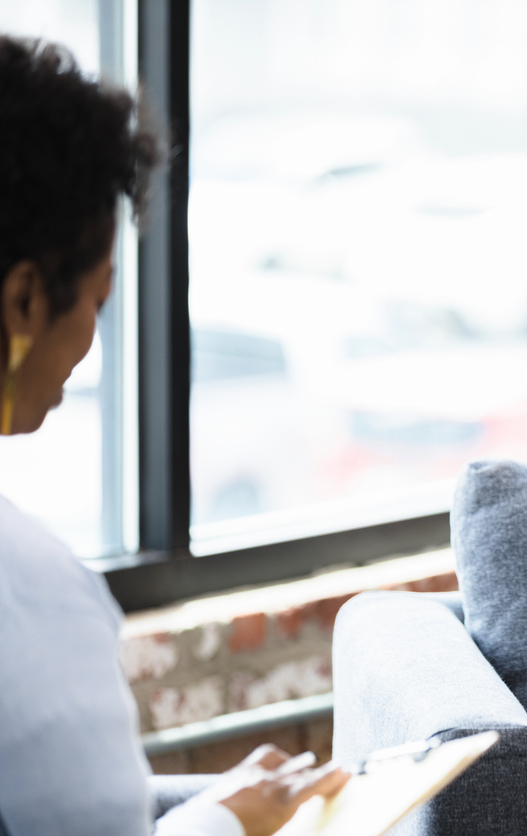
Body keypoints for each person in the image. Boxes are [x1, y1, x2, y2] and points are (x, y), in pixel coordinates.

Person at [0, 36, 348, 836]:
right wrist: (228, 826)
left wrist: (207, 804)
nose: (93, 336)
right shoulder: (31, 596)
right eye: (98, 296)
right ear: (24, 300)